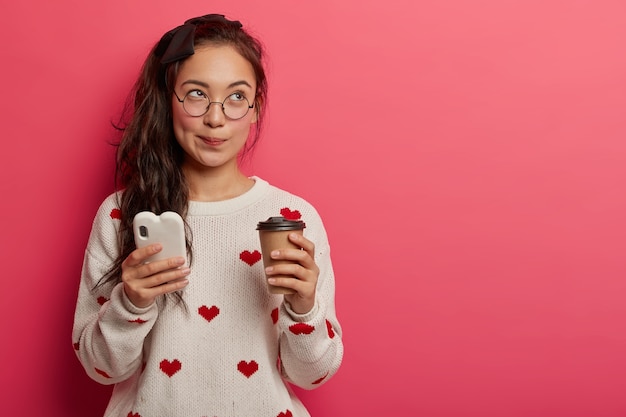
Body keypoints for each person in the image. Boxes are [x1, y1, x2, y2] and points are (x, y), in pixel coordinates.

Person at [72, 14, 343, 417]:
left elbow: (311, 375)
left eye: (236, 97)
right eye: (197, 94)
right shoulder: (122, 214)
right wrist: (131, 302)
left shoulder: (291, 217)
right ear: (168, 101)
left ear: (255, 108)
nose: (216, 118)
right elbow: (101, 369)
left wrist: (304, 306)